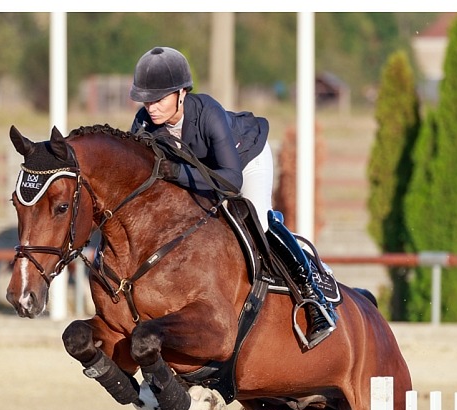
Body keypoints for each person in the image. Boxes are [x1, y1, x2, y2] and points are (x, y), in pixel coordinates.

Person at [129, 46, 333, 348]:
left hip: (245, 162)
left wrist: (178, 174)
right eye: (146, 100)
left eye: (158, 99)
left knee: (260, 221)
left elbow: (230, 180)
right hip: (205, 176)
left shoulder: (207, 113)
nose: (151, 107)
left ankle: (314, 298)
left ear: (182, 93)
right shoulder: (144, 124)